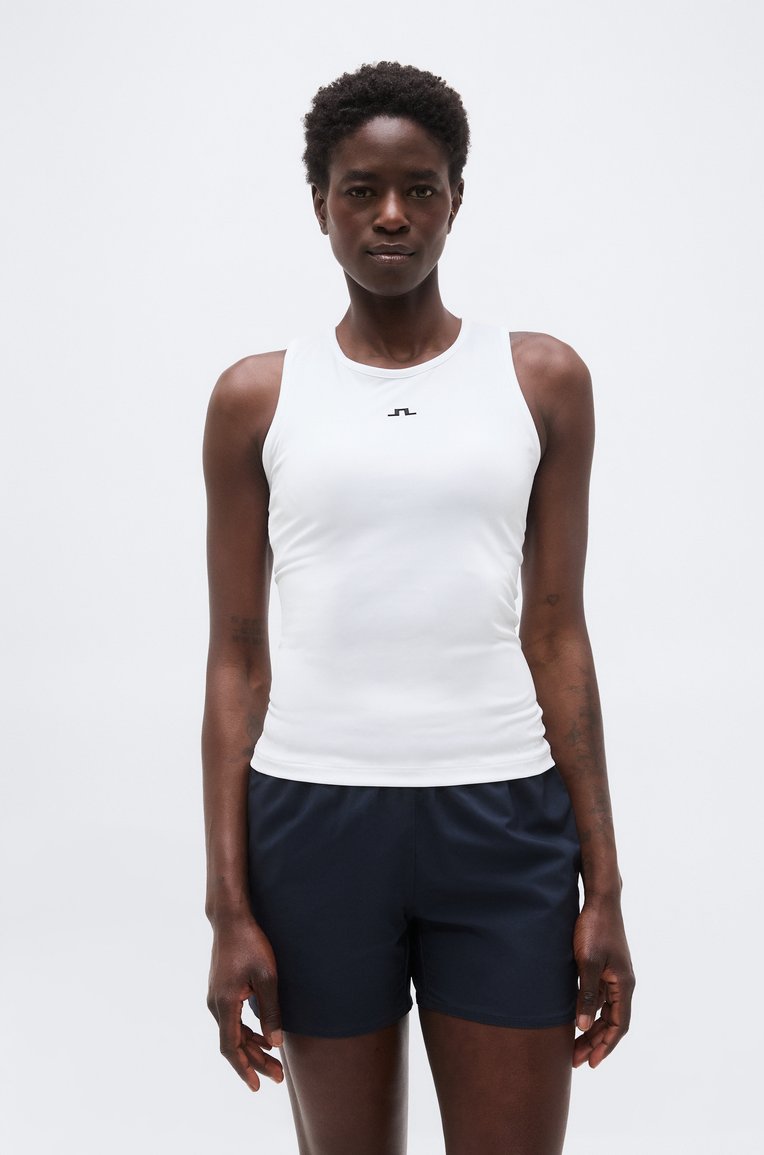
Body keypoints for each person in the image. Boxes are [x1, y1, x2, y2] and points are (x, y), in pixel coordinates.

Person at [201, 61, 634, 1155]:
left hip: (501, 822)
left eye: (420, 188)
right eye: (361, 190)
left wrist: (604, 883)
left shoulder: (540, 381)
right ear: (320, 205)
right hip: (312, 824)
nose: (390, 215)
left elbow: (557, 632)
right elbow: (237, 655)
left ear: (454, 200)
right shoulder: (257, 398)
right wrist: (227, 906)